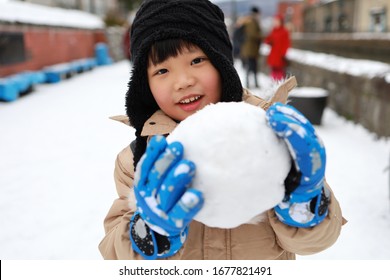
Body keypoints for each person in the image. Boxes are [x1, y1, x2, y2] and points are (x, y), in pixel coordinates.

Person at [99, 0, 345, 260]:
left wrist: (304, 205)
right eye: (162, 70)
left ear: (222, 63)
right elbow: (115, 255)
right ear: (143, 85)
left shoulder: (271, 139)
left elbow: (316, 242)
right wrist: (148, 235)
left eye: (196, 60)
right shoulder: (139, 160)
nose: (183, 81)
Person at [239, 6, 262, 88]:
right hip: (250, 49)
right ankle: (250, 83)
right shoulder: (252, 22)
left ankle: (252, 83)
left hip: (250, 49)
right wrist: (262, 36)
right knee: (251, 67)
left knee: (252, 67)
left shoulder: (249, 21)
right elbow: (253, 34)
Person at [264, 14, 291, 81]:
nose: (275, 23)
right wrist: (269, 41)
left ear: (281, 22)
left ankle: (280, 84)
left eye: (277, 21)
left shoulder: (284, 31)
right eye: (275, 21)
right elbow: (268, 39)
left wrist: (283, 54)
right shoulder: (273, 30)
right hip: (273, 54)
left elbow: (286, 44)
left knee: (280, 71)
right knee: (273, 70)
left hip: (279, 55)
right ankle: (274, 84)